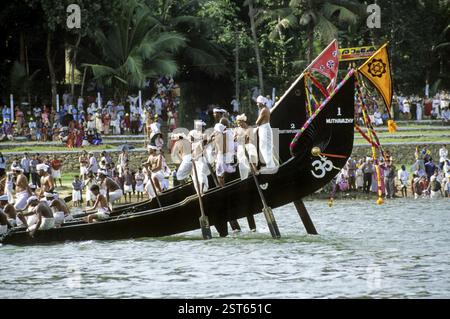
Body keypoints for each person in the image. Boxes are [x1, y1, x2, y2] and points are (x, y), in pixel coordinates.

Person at [234, 114, 257, 180]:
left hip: (249, 145)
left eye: (239, 123)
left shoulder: (249, 128)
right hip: (241, 147)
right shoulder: (236, 129)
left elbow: (247, 139)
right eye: (238, 123)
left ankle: (254, 171)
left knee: (252, 154)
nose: (239, 125)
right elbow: (234, 138)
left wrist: (240, 137)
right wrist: (239, 137)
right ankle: (246, 177)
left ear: (243, 121)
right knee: (242, 162)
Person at [255, 95, 276, 170]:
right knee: (267, 147)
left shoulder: (263, 110)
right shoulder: (266, 109)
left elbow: (257, 122)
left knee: (264, 147)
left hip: (264, 129)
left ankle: (270, 166)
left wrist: (257, 122)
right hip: (265, 128)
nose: (257, 104)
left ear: (261, 103)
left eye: (258, 103)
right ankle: (270, 165)